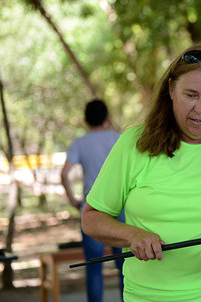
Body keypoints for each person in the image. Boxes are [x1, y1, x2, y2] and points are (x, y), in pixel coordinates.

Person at [81, 44, 201, 301]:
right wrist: (133, 235)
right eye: (191, 95)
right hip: (148, 296)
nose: (200, 109)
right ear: (171, 89)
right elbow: (92, 218)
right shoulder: (134, 143)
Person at [61, 99, 124, 302]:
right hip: (121, 207)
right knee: (125, 266)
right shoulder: (120, 138)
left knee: (93, 267)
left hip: (92, 209)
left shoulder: (79, 143)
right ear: (107, 118)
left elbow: (64, 174)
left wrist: (73, 200)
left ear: (85, 120)